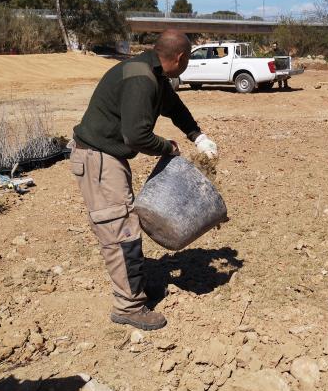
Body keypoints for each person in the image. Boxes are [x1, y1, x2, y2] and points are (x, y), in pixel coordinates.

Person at [69, 29, 218, 331]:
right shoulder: (141, 79)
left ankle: (134, 287)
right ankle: (129, 306)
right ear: (180, 57)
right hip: (98, 160)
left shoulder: (153, 74)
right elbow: (136, 136)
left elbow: (175, 108)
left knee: (125, 227)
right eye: (188, 57)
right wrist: (168, 147)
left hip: (107, 158)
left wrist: (198, 136)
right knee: (120, 232)